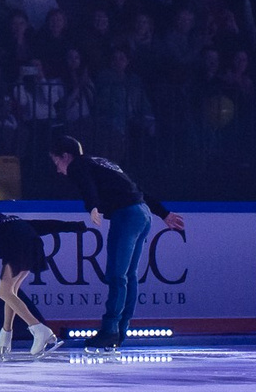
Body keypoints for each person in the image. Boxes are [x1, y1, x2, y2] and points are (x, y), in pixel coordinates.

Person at [48, 135, 185, 349]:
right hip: (142, 214)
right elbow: (136, 188)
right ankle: (120, 331)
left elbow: (87, 185)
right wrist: (163, 213)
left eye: (57, 162)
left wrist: (92, 206)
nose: (58, 169)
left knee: (116, 274)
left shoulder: (78, 164)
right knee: (128, 276)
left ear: (66, 156)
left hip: (127, 216)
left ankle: (110, 330)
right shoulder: (102, 162)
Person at [0, 201, 82, 359]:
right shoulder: (8, 219)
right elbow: (41, 226)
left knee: (3, 291)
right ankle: (6, 333)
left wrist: (1, 253)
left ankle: (39, 329)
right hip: (33, 247)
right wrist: (73, 226)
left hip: (17, 249)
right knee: (10, 292)